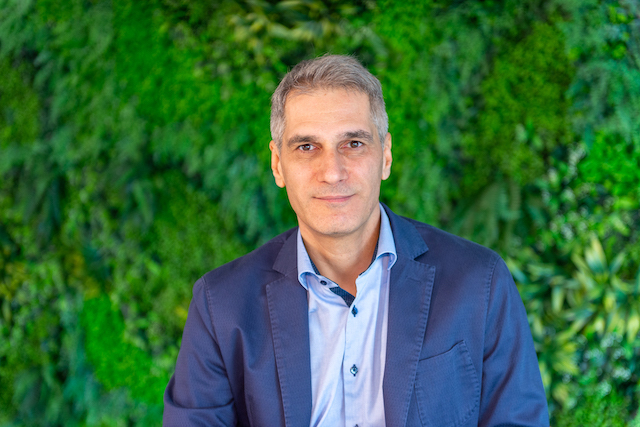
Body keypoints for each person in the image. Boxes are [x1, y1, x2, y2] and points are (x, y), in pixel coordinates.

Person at [163, 54, 549, 426]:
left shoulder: (480, 284)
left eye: (354, 144)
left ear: (386, 156)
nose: (332, 172)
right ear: (278, 164)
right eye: (307, 147)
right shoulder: (221, 306)